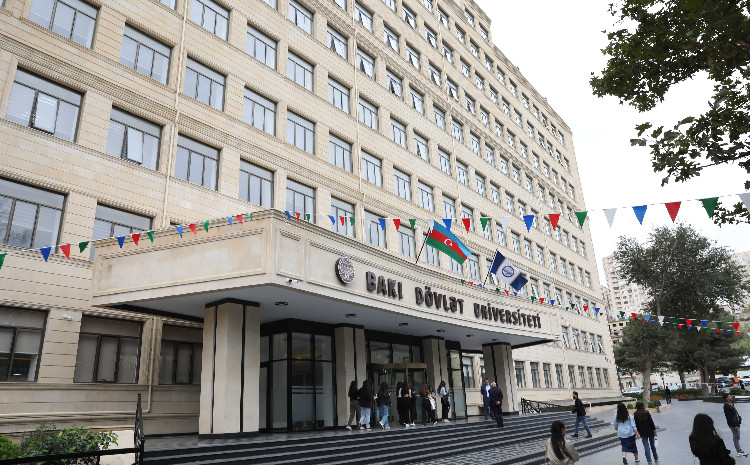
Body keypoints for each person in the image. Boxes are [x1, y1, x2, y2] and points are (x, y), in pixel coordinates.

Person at [724, 393, 748, 457]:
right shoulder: (726, 406)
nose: (731, 397)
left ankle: (739, 451)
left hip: (736, 423)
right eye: (729, 396)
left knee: (737, 437)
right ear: (726, 398)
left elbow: (734, 414)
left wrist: (739, 419)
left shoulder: (731, 404)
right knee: (736, 437)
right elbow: (729, 417)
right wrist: (735, 425)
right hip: (734, 425)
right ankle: (739, 451)